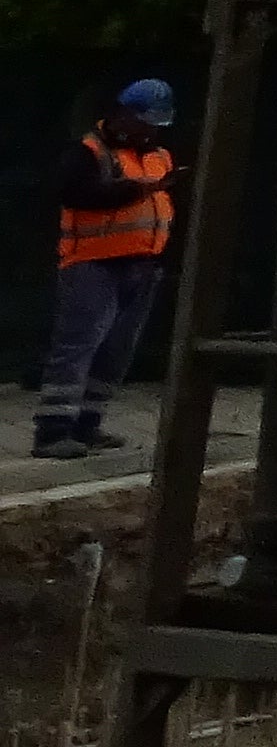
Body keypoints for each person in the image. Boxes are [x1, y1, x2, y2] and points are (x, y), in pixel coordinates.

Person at [33, 77, 177, 461]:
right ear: (122, 114)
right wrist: (137, 191)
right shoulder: (88, 152)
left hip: (142, 264)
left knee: (116, 351)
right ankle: (52, 430)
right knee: (78, 345)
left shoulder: (158, 155)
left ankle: (88, 425)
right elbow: (76, 195)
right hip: (92, 264)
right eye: (145, 120)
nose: (151, 129)